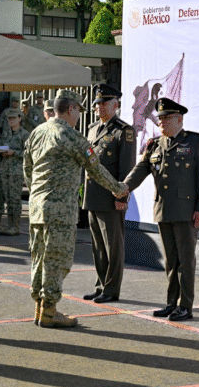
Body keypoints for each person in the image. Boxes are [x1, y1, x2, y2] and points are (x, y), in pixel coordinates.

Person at [23, 89, 128, 328]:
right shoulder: (71, 137)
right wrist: (118, 188)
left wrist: (37, 196)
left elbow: (27, 169)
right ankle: (49, 310)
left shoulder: (37, 132)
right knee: (57, 261)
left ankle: (40, 307)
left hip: (38, 209)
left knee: (39, 258)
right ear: (70, 109)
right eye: (78, 111)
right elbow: (96, 169)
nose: (78, 116)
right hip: (59, 212)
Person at [123, 97, 199, 321]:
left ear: (179, 119)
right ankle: (171, 303)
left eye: (167, 118)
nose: (161, 122)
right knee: (171, 261)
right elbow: (140, 169)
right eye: (160, 118)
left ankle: (185, 306)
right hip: (163, 210)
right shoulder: (154, 145)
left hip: (186, 211)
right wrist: (122, 187)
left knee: (185, 261)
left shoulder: (195, 142)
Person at [82, 84, 137, 304]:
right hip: (93, 195)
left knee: (112, 246)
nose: (99, 107)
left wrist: (121, 196)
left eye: (104, 102)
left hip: (110, 197)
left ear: (115, 105)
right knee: (97, 245)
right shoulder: (93, 128)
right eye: (97, 103)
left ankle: (111, 289)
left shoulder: (124, 131)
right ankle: (100, 284)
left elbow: (127, 169)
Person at [0, 108, 29, 236]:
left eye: (13, 118)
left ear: (20, 119)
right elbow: (1, 145)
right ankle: (9, 225)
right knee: (8, 198)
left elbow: (29, 153)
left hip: (16, 171)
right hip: (5, 168)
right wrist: (1, 151)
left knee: (15, 199)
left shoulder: (25, 134)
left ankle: (15, 226)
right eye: (9, 119)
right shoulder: (6, 133)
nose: (11, 121)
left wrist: (14, 152)